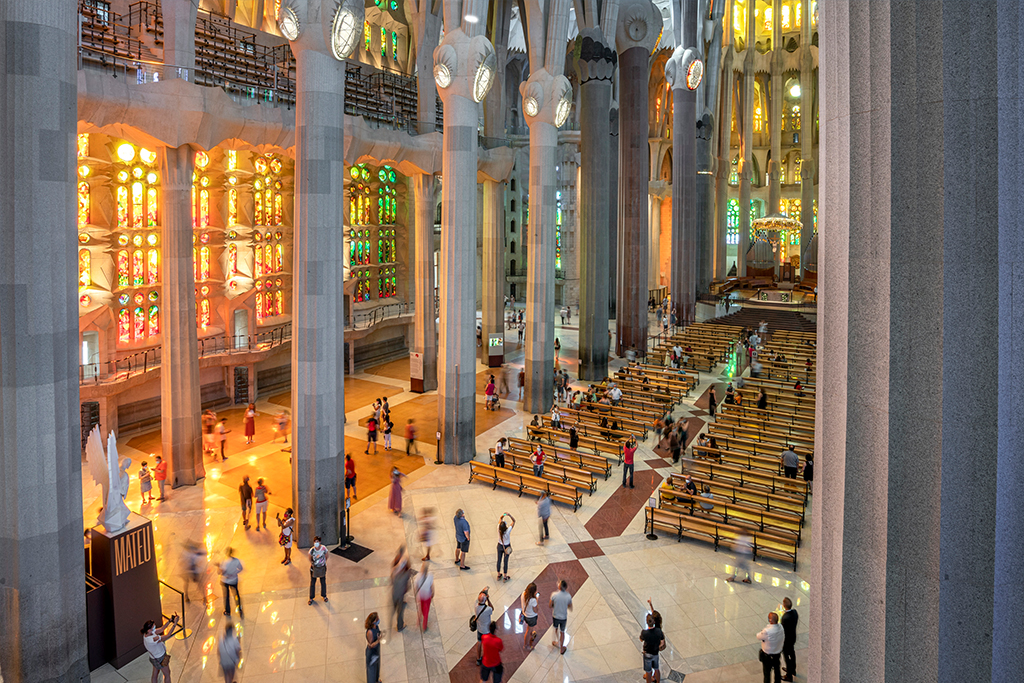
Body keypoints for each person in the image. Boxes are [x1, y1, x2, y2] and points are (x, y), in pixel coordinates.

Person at [141, 615, 179, 683]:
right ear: (149, 630)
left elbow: (161, 629)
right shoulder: (153, 639)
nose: (154, 627)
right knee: (167, 674)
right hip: (161, 657)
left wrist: (170, 621)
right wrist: (175, 623)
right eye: (153, 627)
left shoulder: (146, 634)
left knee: (155, 674)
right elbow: (168, 635)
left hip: (154, 658)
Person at [640, 599, 666, 683]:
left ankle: (650, 677)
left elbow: (641, 639)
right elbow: (662, 642)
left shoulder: (645, 632)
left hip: (648, 652)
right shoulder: (659, 631)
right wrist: (650, 604)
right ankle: (656, 679)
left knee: (648, 670)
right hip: (655, 652)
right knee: (656, 667)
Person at [756, 612, 785, 683]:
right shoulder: (781, 627)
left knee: (767, 673)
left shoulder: (767, 631)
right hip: (777, 653)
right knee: (777, 670)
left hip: (768, 655)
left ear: (771, 620)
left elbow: (758, 636)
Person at [390, 546, 412, 632]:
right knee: (400, 611)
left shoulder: (394, 571)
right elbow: (408, 577)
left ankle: (394, 610)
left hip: (394, 592)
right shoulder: (405, 574)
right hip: (400, 593)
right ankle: (400, 626)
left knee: (396, 606)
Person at [218, 547, 243, 617]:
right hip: (234, 580)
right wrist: (235, 572)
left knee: (226, 596)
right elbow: (241, 568)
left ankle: (228, 611)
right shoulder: (236, 561)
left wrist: (218, 567)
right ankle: (239, 609)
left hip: (226, 581)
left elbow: (221, 572)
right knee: (236, 595)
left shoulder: (224, 562)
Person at [550, 579, 573, 655]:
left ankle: (558, 643)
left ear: (559, 587)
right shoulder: (568, 596)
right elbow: (570, 607)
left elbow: (550, 605)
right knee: (562, 632)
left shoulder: (554, 595)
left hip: (555, 616)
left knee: (556, 628)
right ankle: (562, 648)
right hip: (563, 617)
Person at [473, 590, 494, 665]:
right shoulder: (488, 609)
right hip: (486, 630)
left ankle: (478, 659)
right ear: (485, 601)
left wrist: (482, 593)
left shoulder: (476, 606)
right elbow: (492, 608)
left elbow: (479, 599)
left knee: (479, 642)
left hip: (479, 628)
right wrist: (488, 599)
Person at [780, 597, 799, 680]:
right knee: (792, 653)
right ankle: (793, 669)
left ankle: (789, 675)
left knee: (786, 656)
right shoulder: (794, 612)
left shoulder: (785, 618)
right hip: (793, 637)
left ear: (784, 606)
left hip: (786, 639)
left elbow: (783, 630)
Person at [308, 536, 329, 605]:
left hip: (322, 568)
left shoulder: (323, 548)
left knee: (323, 582)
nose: (316, 543)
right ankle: (311, 597)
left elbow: (326, 555)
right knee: (313, 583)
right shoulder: (312, 550)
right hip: (314, 569)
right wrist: (312, 564)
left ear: (320, 542)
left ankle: (324, 595)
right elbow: (309, 557)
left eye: (317, 541)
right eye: (315, 542)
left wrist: (323, 562)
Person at [495, 513, 516, 581]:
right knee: (505, 561)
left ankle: (498, 574)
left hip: (500, 545)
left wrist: (503, 515)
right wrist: (509, 515)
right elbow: (514, 521)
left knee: (499, 560)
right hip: (506, 547)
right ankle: (505, 576)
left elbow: (500, 519)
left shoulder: (498, 528)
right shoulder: (507, 531)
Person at [415, 560, 434, 630]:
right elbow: (432, 586)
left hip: (421, 595)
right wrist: (433, 593)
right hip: (427, 596)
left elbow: (416, 586)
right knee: (426, 610)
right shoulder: (430, 576)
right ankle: (424, 625)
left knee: (421, 607)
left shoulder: (418, 576)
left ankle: (419, 618)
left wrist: (416, 594)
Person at [521, 582, 540, 649]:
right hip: (531, 617)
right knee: (528, 630)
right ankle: (526, 645)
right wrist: (537, 598)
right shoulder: (533, 600)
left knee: (529, 628)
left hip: (525, 614)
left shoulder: (523, 594)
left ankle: (532, 633)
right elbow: (536, 610)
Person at [365, 612, 382, 683]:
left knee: (377, 666)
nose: (378, 619)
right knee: (372, 670)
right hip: (372, 653)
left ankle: (376, 680)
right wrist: (378, 641)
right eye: (376, 619)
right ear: (373, 621)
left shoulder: (376, 626)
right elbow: (370, 645)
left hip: (376, 650)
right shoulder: (370, 632)